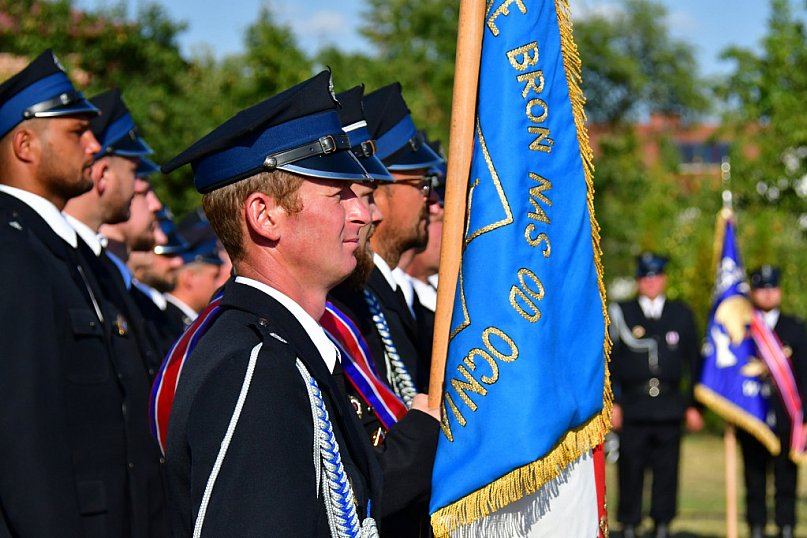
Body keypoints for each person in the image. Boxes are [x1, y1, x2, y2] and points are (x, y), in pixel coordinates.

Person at [158, 71, 383, 537]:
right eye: (337, 194)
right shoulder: (257, 366)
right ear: (264, 216)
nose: (362, 212)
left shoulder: (282, 350)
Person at [0, 50, 163, 537]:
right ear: (25, 144)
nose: (94, 146)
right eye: (77, 132)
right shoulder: (11, 249)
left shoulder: (74, 255)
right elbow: (21, 435)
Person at [608, 252, 704, 538]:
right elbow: (609, 363)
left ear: (664, 279)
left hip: (669, 405)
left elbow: (695, 363)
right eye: (645, 277)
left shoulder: (681, 313)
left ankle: (662, 524)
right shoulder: (622, 313)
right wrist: (612, 403)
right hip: (633, 406)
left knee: (666, 470)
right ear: (639, 280)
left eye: (656, 277)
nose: (651, 282)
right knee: (630, 468)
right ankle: (629, 523)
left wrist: (694, 405)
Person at [358, 82, 443, 395]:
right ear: (378, 194)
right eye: (421, 184)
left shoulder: (382, 295)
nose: (431, 200)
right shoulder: (358, 300)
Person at [739, 266, 807, 538]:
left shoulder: (796, 327)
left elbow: (804, 373)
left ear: (778, 291)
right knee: (754, 477)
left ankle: (786, 526)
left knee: (786, 477)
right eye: (761, 288)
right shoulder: (742, 327)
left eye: (772, 288)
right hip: (753, 414)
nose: (767, 294)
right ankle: (756, 526)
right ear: (753, 292)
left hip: (786, 416)